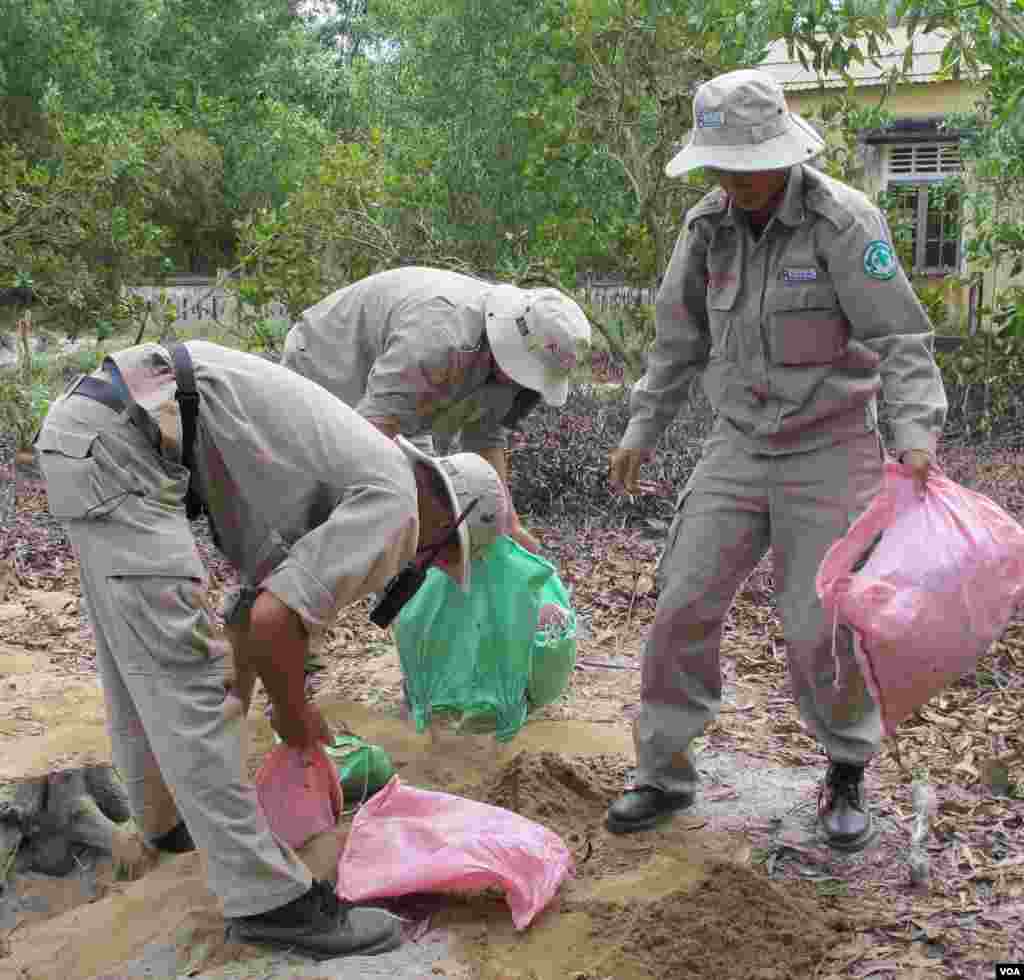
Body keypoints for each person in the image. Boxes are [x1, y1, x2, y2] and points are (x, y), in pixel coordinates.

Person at [34, 340, 511, 959]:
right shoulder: (397, 508)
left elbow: (251, 617)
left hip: (97, 435)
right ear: (447, 521)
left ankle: (167, 824)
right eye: (442, 557)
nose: (425, 565)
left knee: (143, 668)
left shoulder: (353, 468)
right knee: (187, 680)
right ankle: (271, 903)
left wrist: (255, 703)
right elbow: (273, 618)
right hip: (125, 446)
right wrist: (292, 718)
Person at [605, 69, 948, 850]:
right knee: (682, 600)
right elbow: (677, 341)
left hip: (831, 446)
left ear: (784, 151)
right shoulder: (706, 227)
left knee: (817, 623)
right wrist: (641, 427)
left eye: (748, 162)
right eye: (722, 165)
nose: (736, 179)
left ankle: (846, 767)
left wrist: (914, 438)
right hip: (738, 443)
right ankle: (662, 771)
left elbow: (902, 339)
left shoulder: (842, 222)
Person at [281, 266, 592, 555]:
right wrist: (434, 512)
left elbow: (486, 439)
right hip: (327, 360)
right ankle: (275, 593)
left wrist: (505, 523)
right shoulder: (440, 338)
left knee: (414, 517)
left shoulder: (505, 372)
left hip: (394, 400)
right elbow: (372, 433)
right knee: (314, 513)